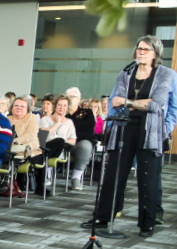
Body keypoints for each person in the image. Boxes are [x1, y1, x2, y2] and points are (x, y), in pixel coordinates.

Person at [83, 35, 177, 237]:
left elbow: (157, 104)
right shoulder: (126, 73)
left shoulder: (166, 74)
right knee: (114, 174)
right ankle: (104, 217)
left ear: (155, 53)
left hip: (151, 131)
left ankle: (147, 223)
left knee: (147, 178)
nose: (140, 52)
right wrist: (139, 103)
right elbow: (114, 101)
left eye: (146, 49)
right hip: (123, 128)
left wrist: (127, 102)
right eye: (139, 48)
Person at [38, 94, 76, 192]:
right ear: (55, 106)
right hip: (44, 148)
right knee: (45, 152)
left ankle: (45, 175)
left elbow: (73, 141)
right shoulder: (45, 119)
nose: (62, 107)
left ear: (68, 108)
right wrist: (57, 123)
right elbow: (44, 135)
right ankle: (44, 177)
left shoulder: (69, 122)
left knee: (59, 141)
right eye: (59, 105)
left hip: (59, 151)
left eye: (64, 105)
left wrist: (61, 141)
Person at [7, 96, 43, 195]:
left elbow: (31, 135)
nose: (19, 108)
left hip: (28, 150)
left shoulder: (31, 118)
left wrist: (15, 141)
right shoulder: (7, 119)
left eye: (22, 106)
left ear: (27, 109)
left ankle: (11, 185)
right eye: (16, 105)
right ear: (12, 107)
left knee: (10, 158)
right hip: (8, 148)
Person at [65, 87, 95, 190]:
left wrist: (70, 128)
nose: (69, 99)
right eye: (67, 97)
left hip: (78, 143)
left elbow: (88, 129)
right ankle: (47, 175)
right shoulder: (61, 111)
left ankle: (76, 177)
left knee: (85, 145)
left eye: (72, 97)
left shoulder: (86, 112)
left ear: (79, 99)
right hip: (63, 143)